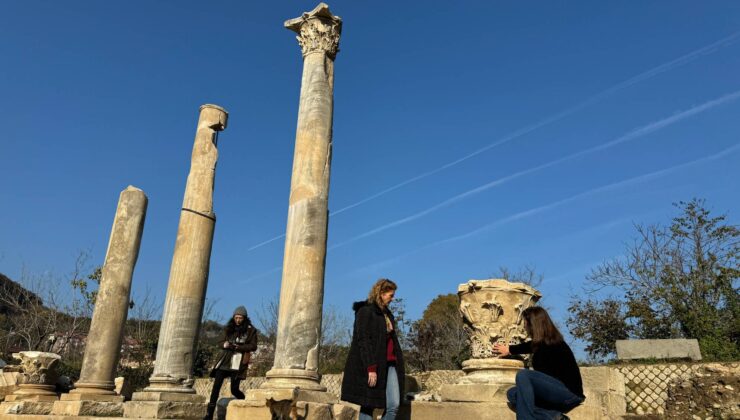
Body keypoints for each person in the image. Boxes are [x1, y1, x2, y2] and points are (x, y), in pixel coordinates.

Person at [492, 306, 585, 420]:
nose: (524, 326)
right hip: (554, 393)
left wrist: (511, 350)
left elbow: (533, 347)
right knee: (512, 394)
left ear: (533, 324)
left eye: (525, 322)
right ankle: (553, 417)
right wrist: (509, 349)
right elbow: (529, 346)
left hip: (569, 395)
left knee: (524, 375)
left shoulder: (555, 344)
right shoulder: (542, 344)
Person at [341, 279, 405, 420]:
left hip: (390, 364)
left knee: (393, 405)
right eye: (391, 295)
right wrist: (371, 368)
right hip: (371, 364)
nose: (392, 299)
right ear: (381, 293)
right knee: (368, 404)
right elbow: (363, 340)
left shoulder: (387, 314)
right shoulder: (365, 311)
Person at [204, 306, 258, 420]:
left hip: (238, 363)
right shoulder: (228, 328)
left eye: (240, 318)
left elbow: (253, 346)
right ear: (233, 317)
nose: (238, 320)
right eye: (236, 317)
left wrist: (240, 347)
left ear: (244, 318)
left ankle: (245, 403)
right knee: (216, 388)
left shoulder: (250, 330)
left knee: (234, 389)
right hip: (224, 360)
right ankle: (209, 415)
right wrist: (225, 344)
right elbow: (220, 342)